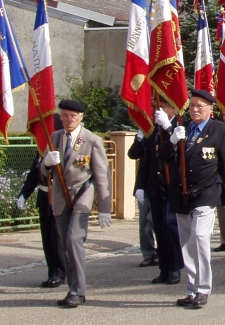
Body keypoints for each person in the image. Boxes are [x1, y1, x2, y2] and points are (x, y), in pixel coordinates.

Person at [164, 90, 225, 308]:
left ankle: (204, 288)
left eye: (200, 106)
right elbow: (166, 159)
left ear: (210, 109)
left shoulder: (220, 130)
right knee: (187, 243)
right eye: (192, 106)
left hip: (207, 191)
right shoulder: (184, 128)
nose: (195, 110)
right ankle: (192, 288)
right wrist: (171, 141)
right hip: (182, 193)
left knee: (200, 237)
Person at [40, 99, 111, 308]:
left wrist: (104, 209)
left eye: (72, 116)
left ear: (81, 117)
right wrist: (47, 163)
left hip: (82, 195)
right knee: (65, 245)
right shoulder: (55, 137)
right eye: (64, 116)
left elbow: (102, 176)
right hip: (61, 197)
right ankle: (73, 288)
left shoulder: (91, 140)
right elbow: (43, 172)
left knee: (74, 239)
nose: (68, 119)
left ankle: (78, 291)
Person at [127, 101, 185, 285]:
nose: (156, 112)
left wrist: (169, 129)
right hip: (155, 186)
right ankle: (164, 269)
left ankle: (175, 267)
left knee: (170, 226)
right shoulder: (152, 131)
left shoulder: (181, 126)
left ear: (172, 108)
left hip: (173, 187)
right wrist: (140, 186)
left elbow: (182, 153)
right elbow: (143, 159)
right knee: (159, 228)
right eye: (155, 109)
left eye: (162, 108)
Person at [17, 128, 65, 288]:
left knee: (57, 237)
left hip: (59, 198)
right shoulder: (42, 150)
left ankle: (60, 272)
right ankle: (52, 271)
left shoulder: (63, 148)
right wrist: (24, 194)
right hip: (44, 198)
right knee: (47, 239)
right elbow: (34, 174)